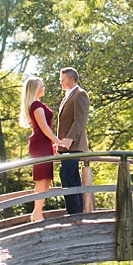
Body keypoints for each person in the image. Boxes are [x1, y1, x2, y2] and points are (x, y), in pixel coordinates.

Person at [19, 76, 65, 222]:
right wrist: (58, 141)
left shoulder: (36, 104)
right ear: (35, 89)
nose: (43, 88)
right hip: (39, 144)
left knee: (46, 179)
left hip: (43, 144)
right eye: (41, 86)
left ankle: (37, 212)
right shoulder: (36, 106)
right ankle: (37, 213)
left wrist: (51, 144)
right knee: (42, 178)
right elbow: (44, 127)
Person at [56, 67, 90, 214]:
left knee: (66, 174)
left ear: (71, 80)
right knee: (72, 175)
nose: (61, 83)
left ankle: (74, 212)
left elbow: (80, 120)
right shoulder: (67, 96)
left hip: (74, 145)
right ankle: (76, 212)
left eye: (63, 80)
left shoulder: (80, 95)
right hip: (65, 146)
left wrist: (70, 138)